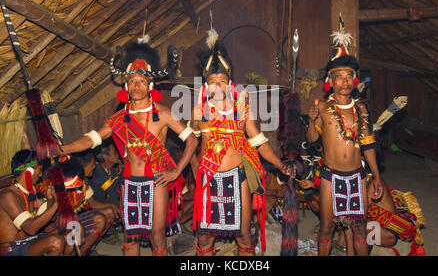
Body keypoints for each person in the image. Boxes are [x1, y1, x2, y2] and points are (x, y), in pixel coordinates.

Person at [61, 40, 198, 256]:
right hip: (130, 181)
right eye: (132, 81)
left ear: (150, 85)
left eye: (142, 81)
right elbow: (90, 140)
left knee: (157, 234)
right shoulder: (118, 119)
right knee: (130, 236)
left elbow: (192, 140)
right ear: (126, 85)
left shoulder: (162, 114)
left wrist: (176, 171)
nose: (136, 86)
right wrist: (61, 149)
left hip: (157, 180)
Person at [188, 27, 294, 256]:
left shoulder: (242, 110)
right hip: (208, 178)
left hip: (238, 178)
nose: (218, 86)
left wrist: (279, 163)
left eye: (222, 80)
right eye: (213, 81)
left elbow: (260, 143)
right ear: (206, 85)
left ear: (230, 83)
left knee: (244, 233)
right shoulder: (199, 112)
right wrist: (195, 168)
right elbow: (191, 144)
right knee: (205, 236)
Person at [306, 15, 383, 256]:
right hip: (331, 176)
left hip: (358, 176)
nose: (345, 81)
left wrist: (377, 177)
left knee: (360, 230)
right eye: (340, 76)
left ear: (355, 80)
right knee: (327, 229)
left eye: (350, 76)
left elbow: (368, 145)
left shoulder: (361, 108)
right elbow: (311, 140)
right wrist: (311, 120)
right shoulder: (323, 107)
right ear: (331, 81)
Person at [0, 150, 65, 256]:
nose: (40, 174)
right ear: (28, 170)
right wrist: (55, 205)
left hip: (29, 242)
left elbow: (51, 218)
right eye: (39, 170)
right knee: (55, 242)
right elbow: (30, 228)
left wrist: (51, 200)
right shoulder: (8, 196)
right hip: (12, 249)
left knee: (69, 232)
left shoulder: (31, 192)